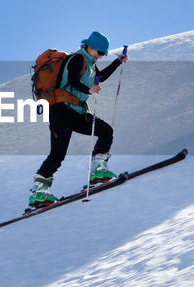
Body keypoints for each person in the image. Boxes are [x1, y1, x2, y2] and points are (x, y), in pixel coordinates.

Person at [29, 31, 128, 208]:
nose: (100, 56)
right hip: (61, 112)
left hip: (77, 112)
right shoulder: (77, 59)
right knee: (58, 154)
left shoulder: (89, 63)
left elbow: (100, 78)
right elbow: (73, 81)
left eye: (102, 54)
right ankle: (38, 192)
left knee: (106, 131)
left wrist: (118, 61)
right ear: (89, 47)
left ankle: (98, 171)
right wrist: (89, 90)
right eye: (99, 52)